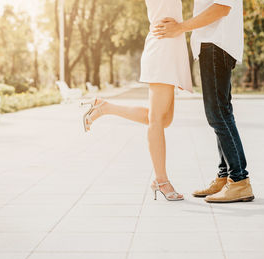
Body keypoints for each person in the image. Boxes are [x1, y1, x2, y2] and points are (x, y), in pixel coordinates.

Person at [81, 0, 192, 201]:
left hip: (170, 45)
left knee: (163, 120)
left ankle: (105, 107)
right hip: (163, 47)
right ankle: (161, 180)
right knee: (157, 119)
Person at [153, 0, 254, 203]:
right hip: (213, 44)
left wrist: (180, 27)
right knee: (221, 112)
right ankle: (225, 175)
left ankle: (239, 180)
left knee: (217, 114)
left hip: (217, 44)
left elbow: (222, 7)